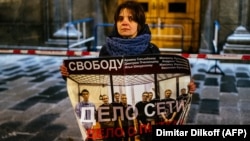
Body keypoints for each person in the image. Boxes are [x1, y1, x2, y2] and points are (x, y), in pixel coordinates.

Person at [59, 1, 196, 93]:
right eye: (120, 18)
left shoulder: (152, 50)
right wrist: (70, 74)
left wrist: (184, 86)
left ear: (139, 24)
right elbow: (98, 82)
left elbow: (161, 83)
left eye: (131, 19)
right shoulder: (106, 50)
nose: (124, 22)